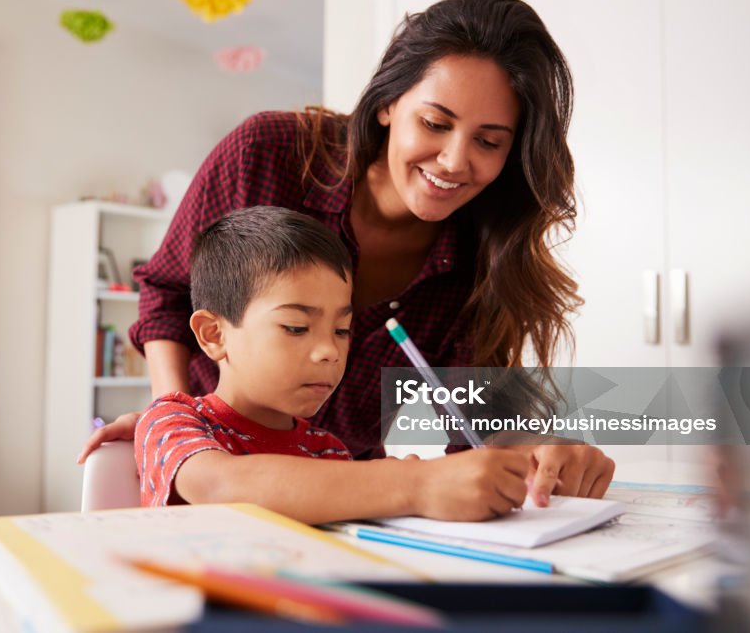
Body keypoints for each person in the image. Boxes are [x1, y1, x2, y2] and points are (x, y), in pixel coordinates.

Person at [80, 0, 615, 506]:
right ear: (387, 103)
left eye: (489, 141)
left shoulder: (482, 259)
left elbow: (476, 424)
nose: (454, 160)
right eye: (435, 123)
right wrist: (171, 414)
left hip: (347, 499)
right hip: (221, 466)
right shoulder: (266, 153)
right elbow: (169, 294)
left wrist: (539, 450)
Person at [137, 206, 533, 524]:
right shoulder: (173, 420)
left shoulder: (326, 452)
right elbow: (221, 486)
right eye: (296, 327)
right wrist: (414, 484)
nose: (329, 351)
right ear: (213, 334)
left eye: (342, 330)